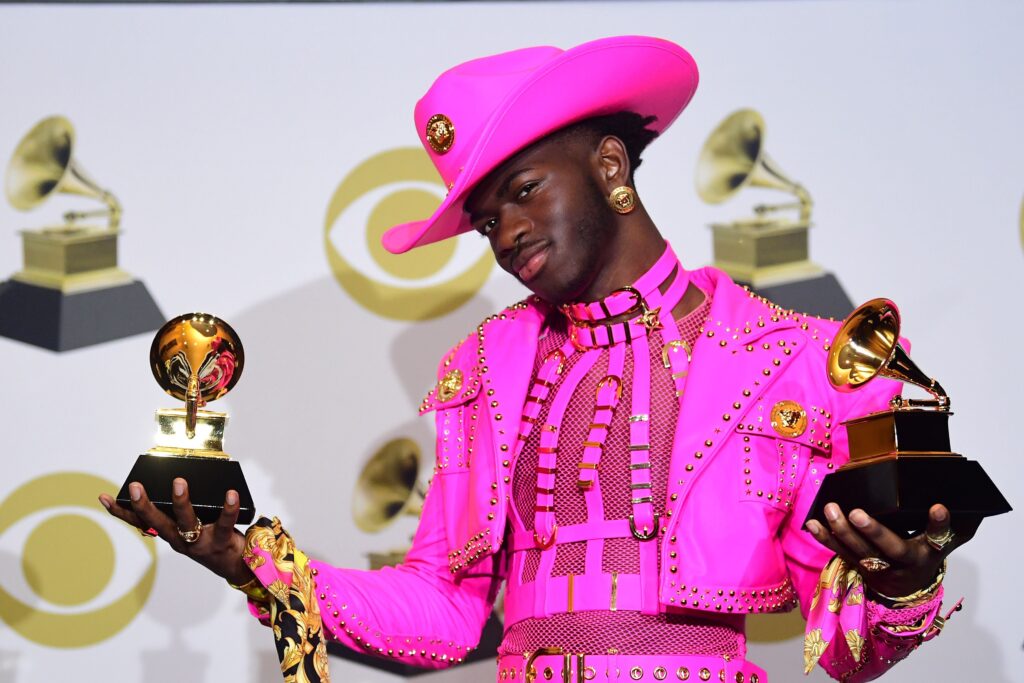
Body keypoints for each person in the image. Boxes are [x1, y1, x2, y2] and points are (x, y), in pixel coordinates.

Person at [99, 36, 968, 683]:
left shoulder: (794, 359)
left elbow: (848, 652)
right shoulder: (486, 365)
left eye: (524, 190)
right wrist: (251, 561)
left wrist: (906, 580)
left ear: (610, 164)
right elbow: (444, 609)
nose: (507, 233)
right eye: (485, 220)